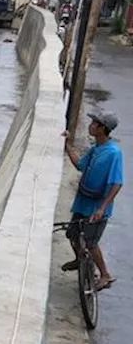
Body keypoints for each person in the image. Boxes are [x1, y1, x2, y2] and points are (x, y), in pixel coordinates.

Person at [64, 111, 123, 291]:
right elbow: (80, 165)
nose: (90, 125)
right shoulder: (95, 148)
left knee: (91, 242)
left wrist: (102, 208)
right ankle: (79, 259)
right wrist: (67, 145)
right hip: (83, 201)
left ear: (102, 129)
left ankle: (104, 274)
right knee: (72, 234)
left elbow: (117, 183)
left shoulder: (113, 153)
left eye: (94, 123)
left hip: (97, 207)